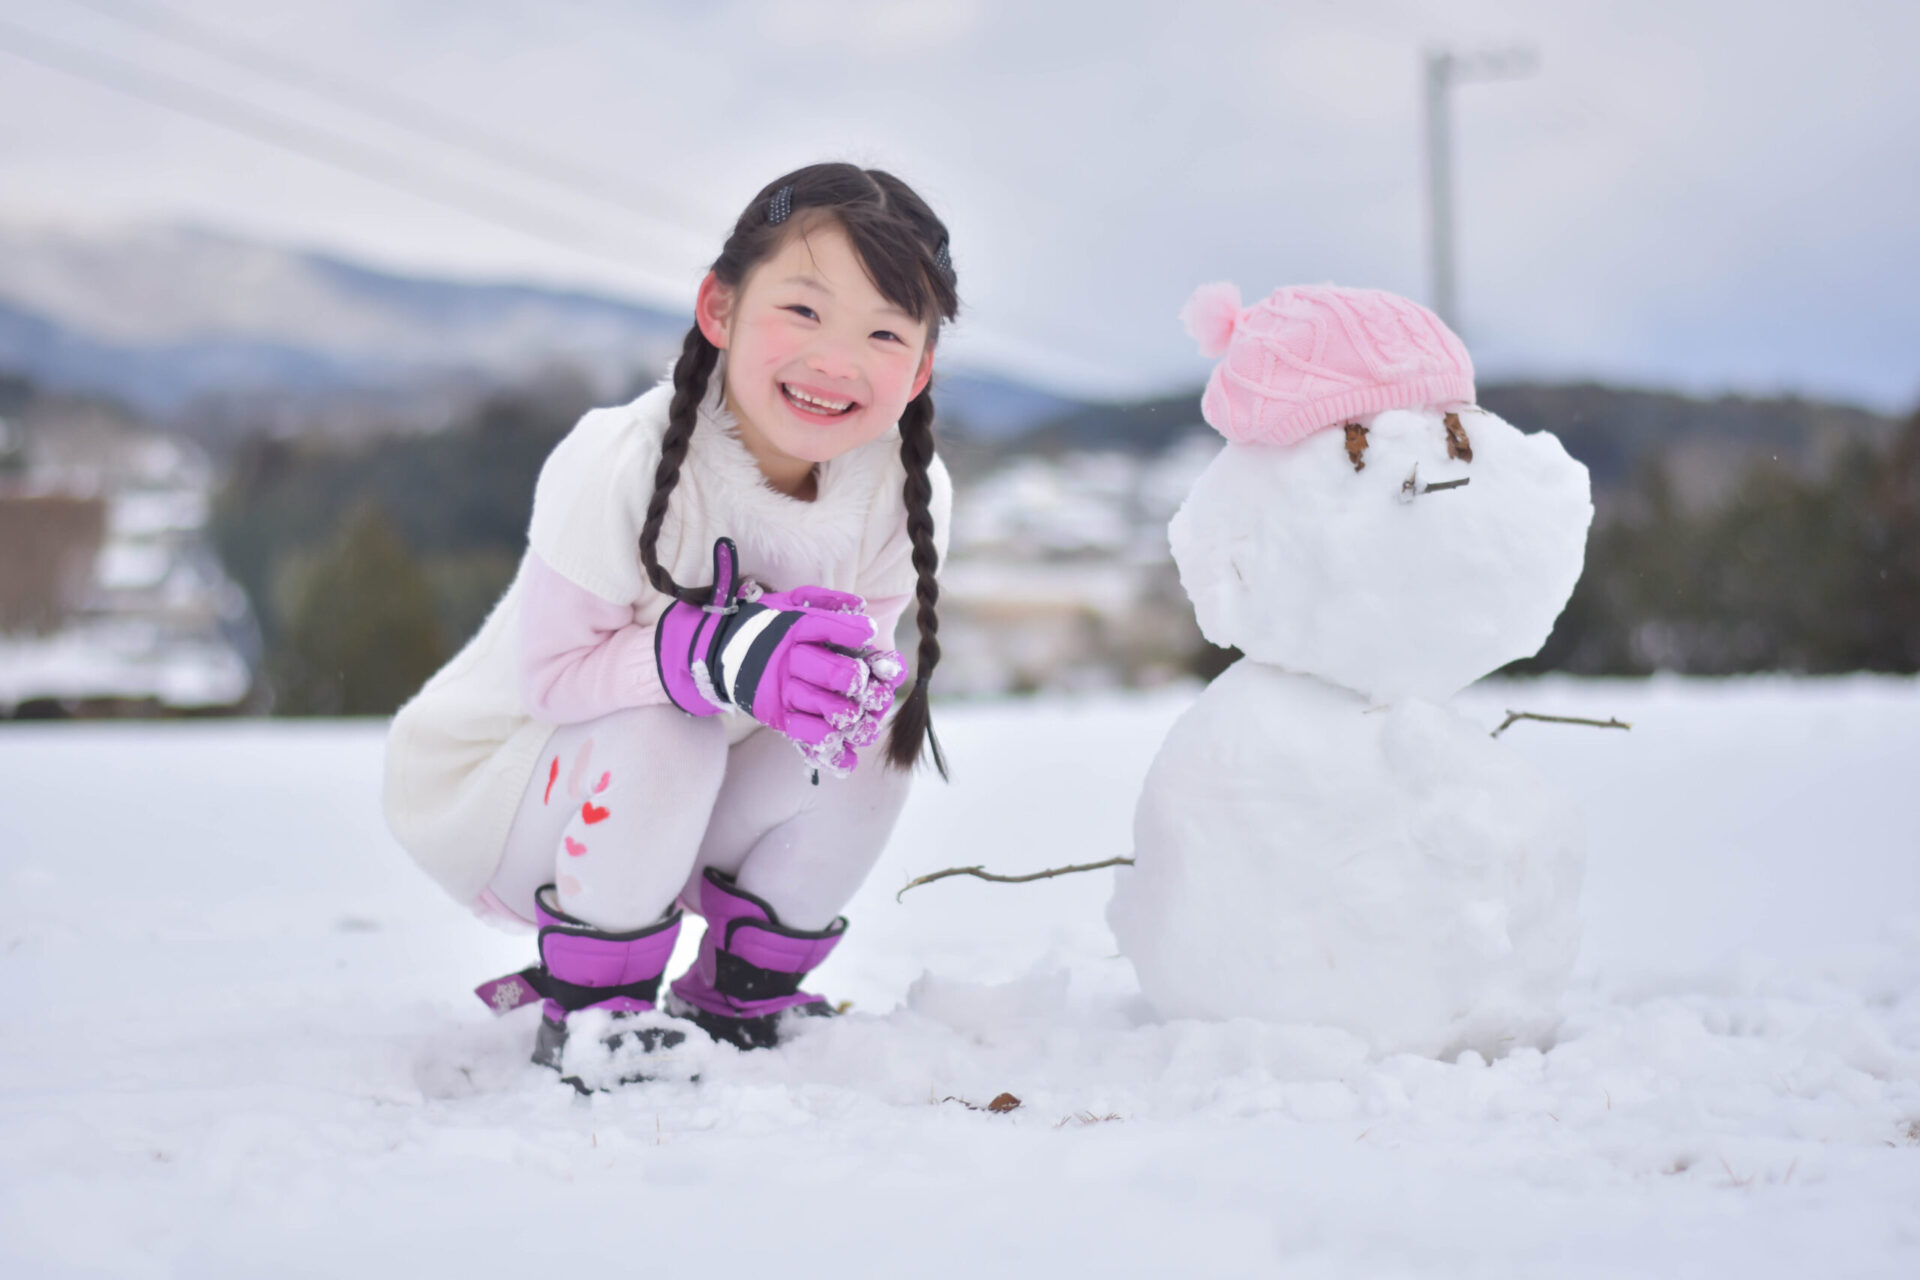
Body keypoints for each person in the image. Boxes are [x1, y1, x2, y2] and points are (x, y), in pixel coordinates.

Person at [382, 162, 957, 1086]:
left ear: (921, 367)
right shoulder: (625, 459)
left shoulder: (903, 489)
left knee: (872, 724)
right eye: (803, 311)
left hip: (684, 799)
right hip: (511, 787)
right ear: (720, 309)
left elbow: (842, 688)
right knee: (669, 724)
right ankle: (593, 1006)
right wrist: (716, 652)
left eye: (884, 332)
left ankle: (740, 995)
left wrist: (839, 677)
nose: (837, 361)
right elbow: (554, 677)